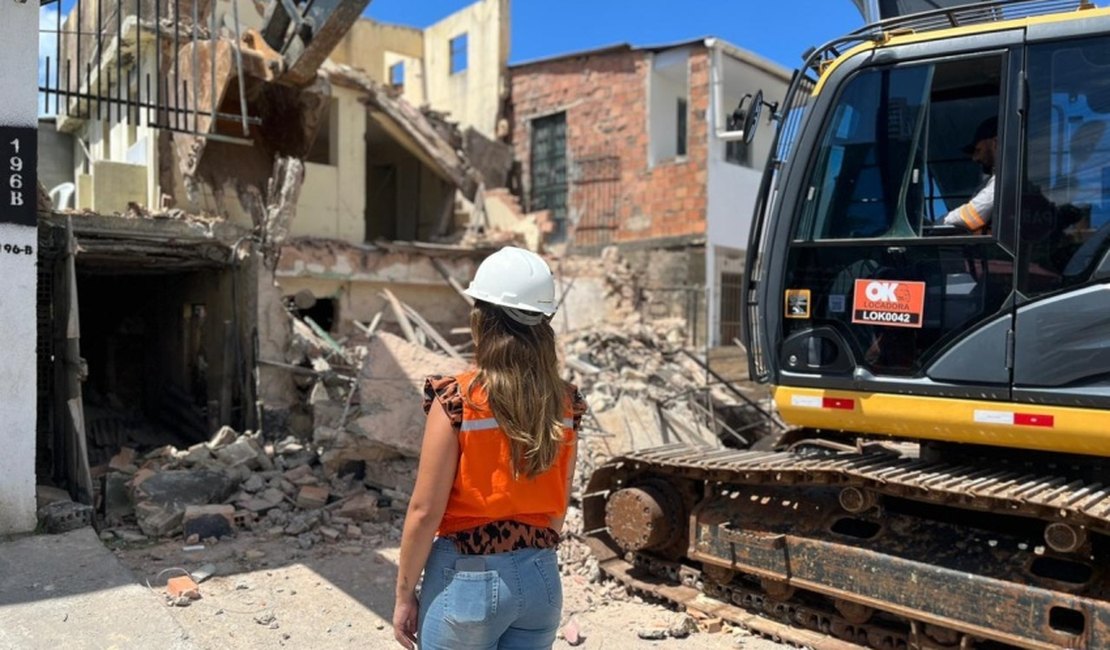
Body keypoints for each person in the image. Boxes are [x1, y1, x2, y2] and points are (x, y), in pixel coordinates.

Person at [392, 246, 587, 650]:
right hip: (541, 578)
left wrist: (404, 593)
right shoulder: (566, 403)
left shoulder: (457, 399)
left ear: (481, 319)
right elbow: (558, 504)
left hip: (466, 577)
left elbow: (425, 511)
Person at [943, 116, 998, 232]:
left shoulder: (1004, 181)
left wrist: (936, 224)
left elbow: (970, 217)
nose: (974, 158)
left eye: (978, 150)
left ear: (996, 144)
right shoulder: (989, 183)